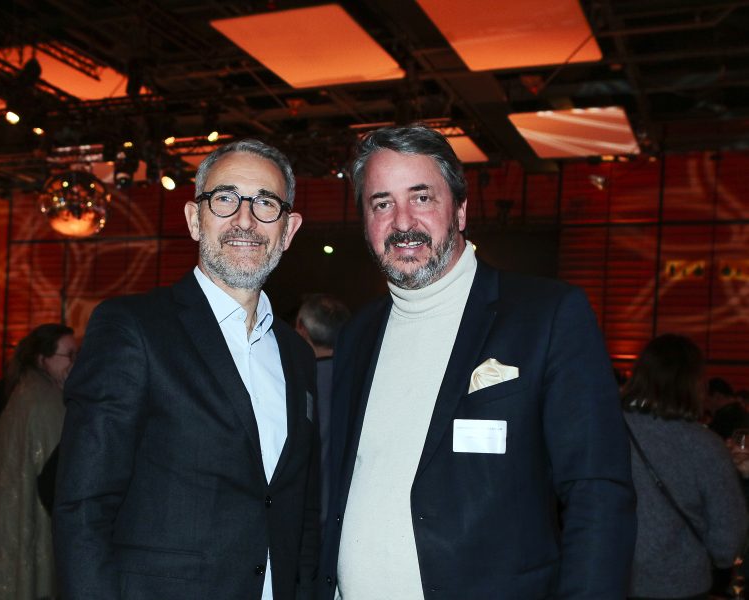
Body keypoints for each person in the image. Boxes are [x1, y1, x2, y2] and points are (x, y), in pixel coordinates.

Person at [318, 125, 636, 599]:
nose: (402, 221)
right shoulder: (357, 336)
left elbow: (599, 494)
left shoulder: (546, 316)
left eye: (421, 197)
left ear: (461, 210)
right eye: (381, 203)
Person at [54, 139, 319, 600]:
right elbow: (83, 505)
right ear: (195, 219)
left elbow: (301, 506)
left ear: (289, 229)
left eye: (265, 203)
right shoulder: (133, 328)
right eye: (225, 199)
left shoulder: (297, 355)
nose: (245, 220)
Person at [622, 334, 747, 599]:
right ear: (694, 383)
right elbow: (727, 541)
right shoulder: (706, 447)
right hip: (681, 582)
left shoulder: (607, 431)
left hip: (611, 577)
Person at [0, 323, 76, 599]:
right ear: (43, 359)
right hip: (33, 517)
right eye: (69, 355)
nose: (74, 363)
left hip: (10, 519)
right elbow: (57, 480)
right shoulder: (46, 401)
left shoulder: (27, 391)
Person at [295, 293, 350, 523]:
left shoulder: (295, 384)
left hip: (308, 516)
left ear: (301, 329)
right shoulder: (359, 380)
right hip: (346, 514)